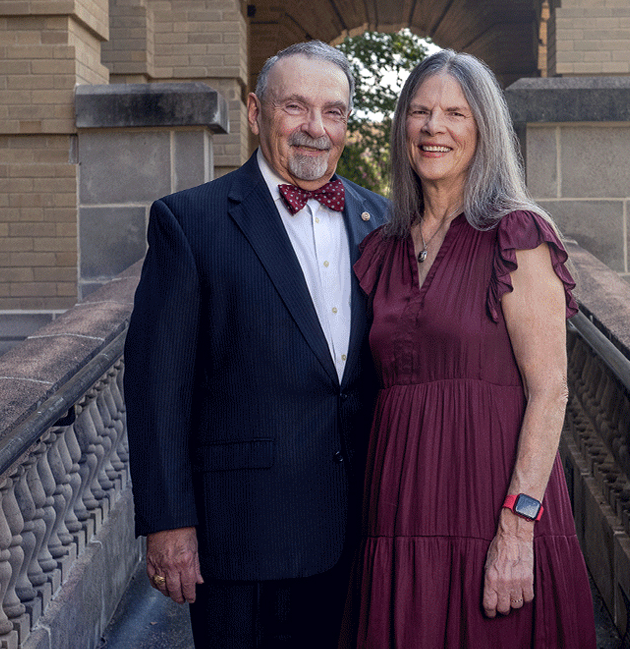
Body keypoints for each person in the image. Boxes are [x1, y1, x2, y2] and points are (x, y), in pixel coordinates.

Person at [124, 40, 388, 647]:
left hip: (360, 530)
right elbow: (157, 386)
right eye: (295, 106)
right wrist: (168, 523)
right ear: (254, 112)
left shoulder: (383, 223)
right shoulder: (190, 223)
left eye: (334, 112)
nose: (315, 128)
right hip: (242, 538)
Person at [345, 49, 596, 647]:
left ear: (484, 129)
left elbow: (550, 390)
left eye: (455, 113)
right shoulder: (381, 248)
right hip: (399, 509)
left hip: (491, 507)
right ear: (403, 124)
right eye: (421, 112)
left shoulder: (516, 234)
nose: (435, 128)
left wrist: (517, 528)